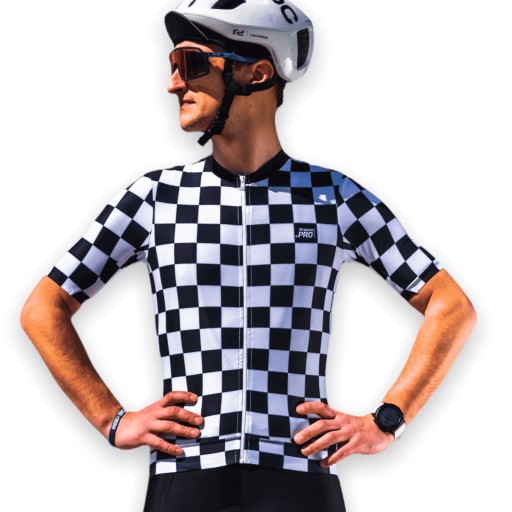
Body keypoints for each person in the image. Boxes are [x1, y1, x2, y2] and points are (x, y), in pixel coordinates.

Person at [20, 0, 476, 510]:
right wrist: (112, 419)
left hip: (298, 471)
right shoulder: (155, 198)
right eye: (172, 65)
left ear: (256, 73)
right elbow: (43, 308)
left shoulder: (331, 196)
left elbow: (450, 305)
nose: (173, 84)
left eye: (191, 63)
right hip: (186, 471)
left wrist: (386, 422)